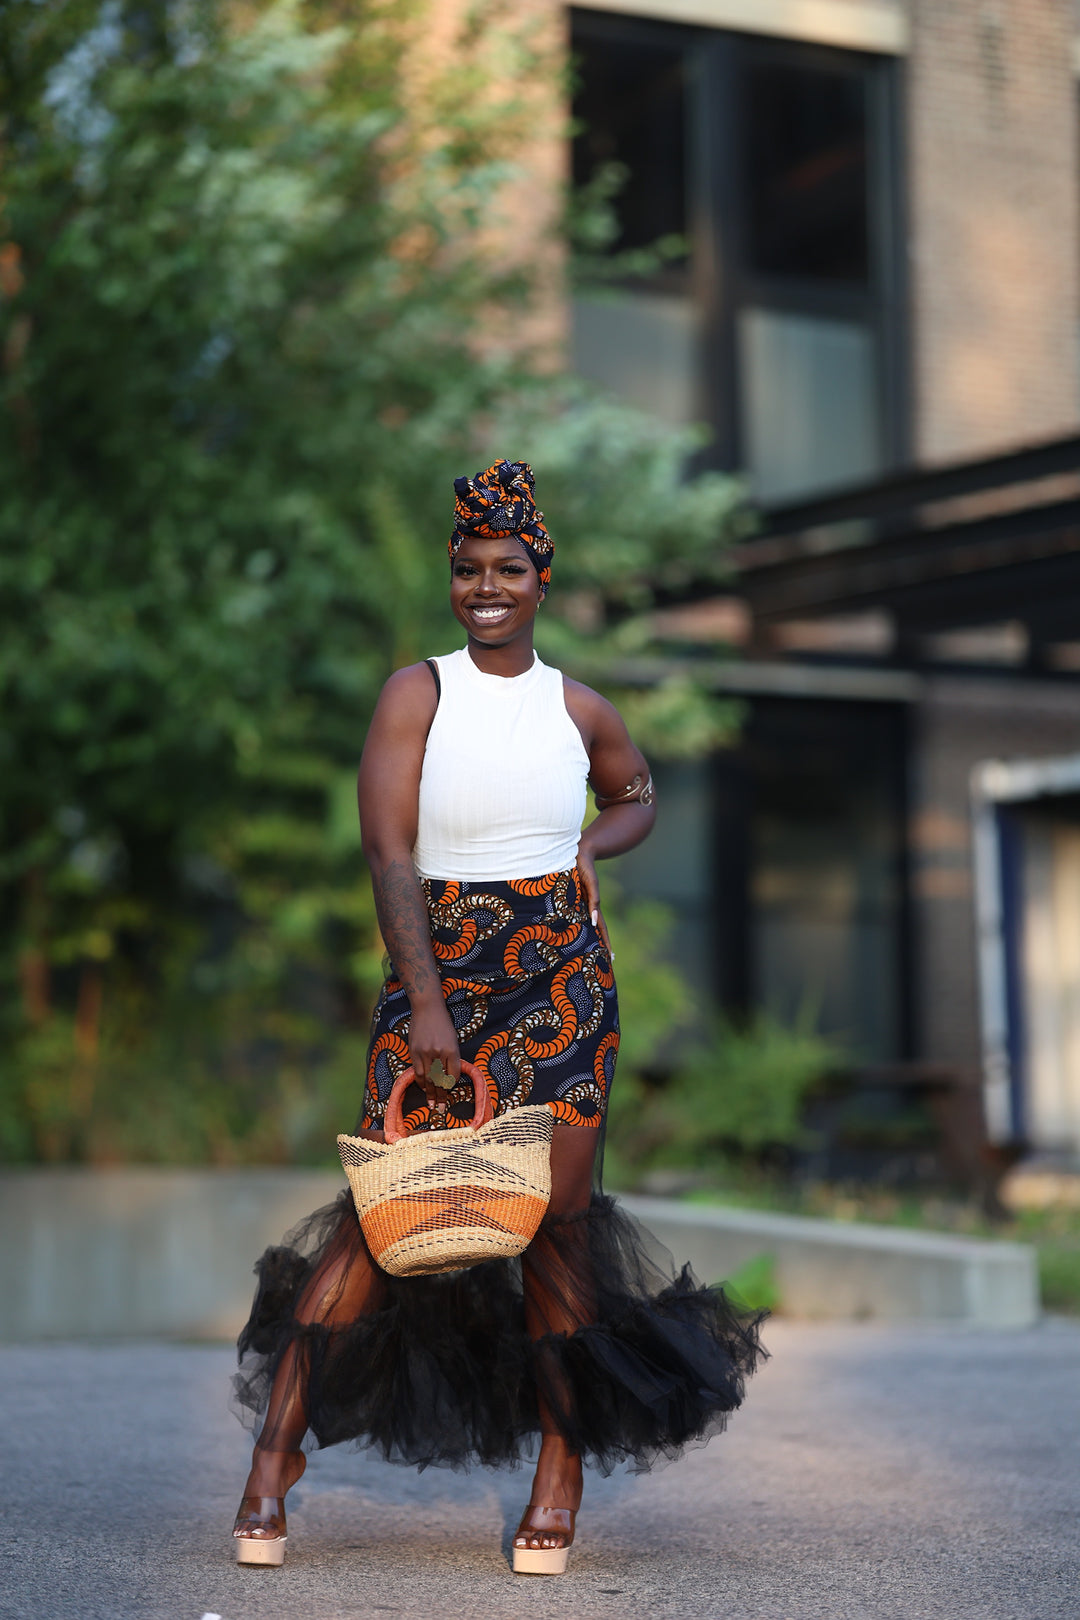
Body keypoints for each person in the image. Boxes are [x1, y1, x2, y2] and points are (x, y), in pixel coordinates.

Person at [230, 459, 765, 1575]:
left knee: (558, 1231)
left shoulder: (579, 707)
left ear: (541, 578)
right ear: (453, 575)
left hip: (564, 982)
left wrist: (587, 844)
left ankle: (557, 1484)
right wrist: (425, 1001)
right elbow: (388, 853)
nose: (487, 585)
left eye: (508, 569)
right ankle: (274, 1456)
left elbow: (637, 793)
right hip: (441, 964)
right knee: (384, 1218)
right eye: (470, 569)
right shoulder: (415, 691)